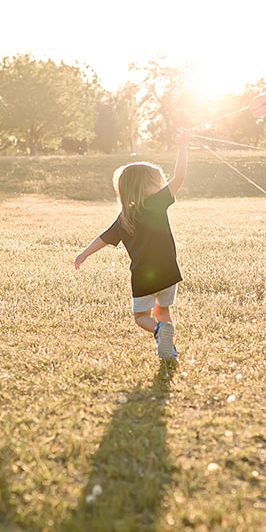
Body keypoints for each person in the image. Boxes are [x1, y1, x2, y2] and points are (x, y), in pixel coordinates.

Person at [74, 129, 190, 361]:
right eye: (157, 183)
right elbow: (180, 177)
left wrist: (84, 254)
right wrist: (182, 146)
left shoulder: (125, 217)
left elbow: (104, 239)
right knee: (163, 311)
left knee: (141, 317)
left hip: (143, 276)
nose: (161, 186)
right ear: (145, 186)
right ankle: (170, 348)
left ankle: (159, 331)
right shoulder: (157, 203)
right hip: (168, 271)